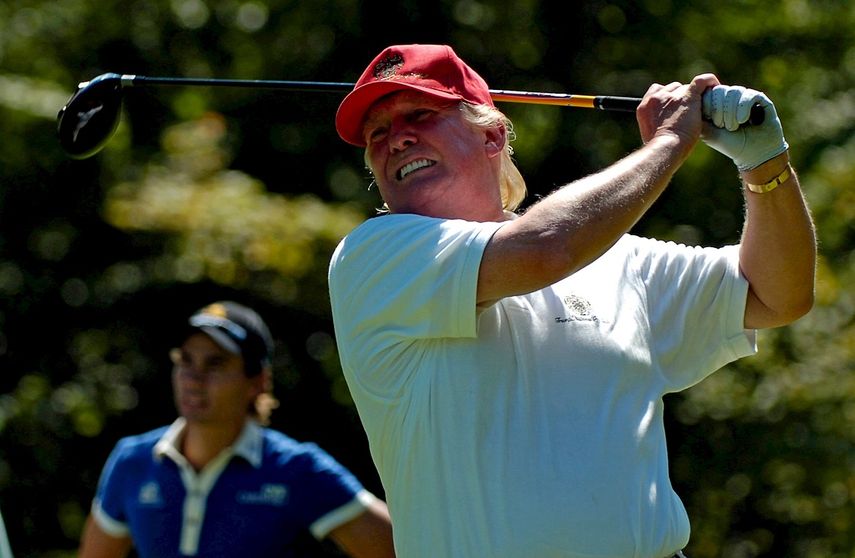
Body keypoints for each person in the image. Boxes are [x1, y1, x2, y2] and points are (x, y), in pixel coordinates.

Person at [327, 44, 816, 558]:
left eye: (420, 115)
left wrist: (765, 166)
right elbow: (546, 248)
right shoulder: (373, 256)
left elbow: (776, 294)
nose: (396, 139)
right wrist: (670, 142)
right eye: (376, 134)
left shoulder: (613, 259)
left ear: (492, 134)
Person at [78, 301, 395, 558]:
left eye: (215, 363)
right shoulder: (131, 462)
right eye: (185, 360)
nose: (194, 378)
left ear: (257, 383)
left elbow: (403, 548)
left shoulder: (297, 469)